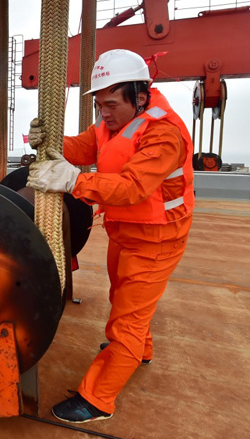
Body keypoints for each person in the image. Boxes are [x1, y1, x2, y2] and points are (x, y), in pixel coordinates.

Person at [27, 49, 194, 423]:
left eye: (111, 104)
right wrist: (43, 140)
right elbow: (80, 147)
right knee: (123, 298)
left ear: (139, 95)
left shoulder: (164, 134)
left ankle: (97, 400)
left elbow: (133, 187)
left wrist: (73, 180)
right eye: (100, 105)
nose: (105, 113)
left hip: (157, 240)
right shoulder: (111, 125)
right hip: (125, 233)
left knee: (126, 323)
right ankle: (142, 350)